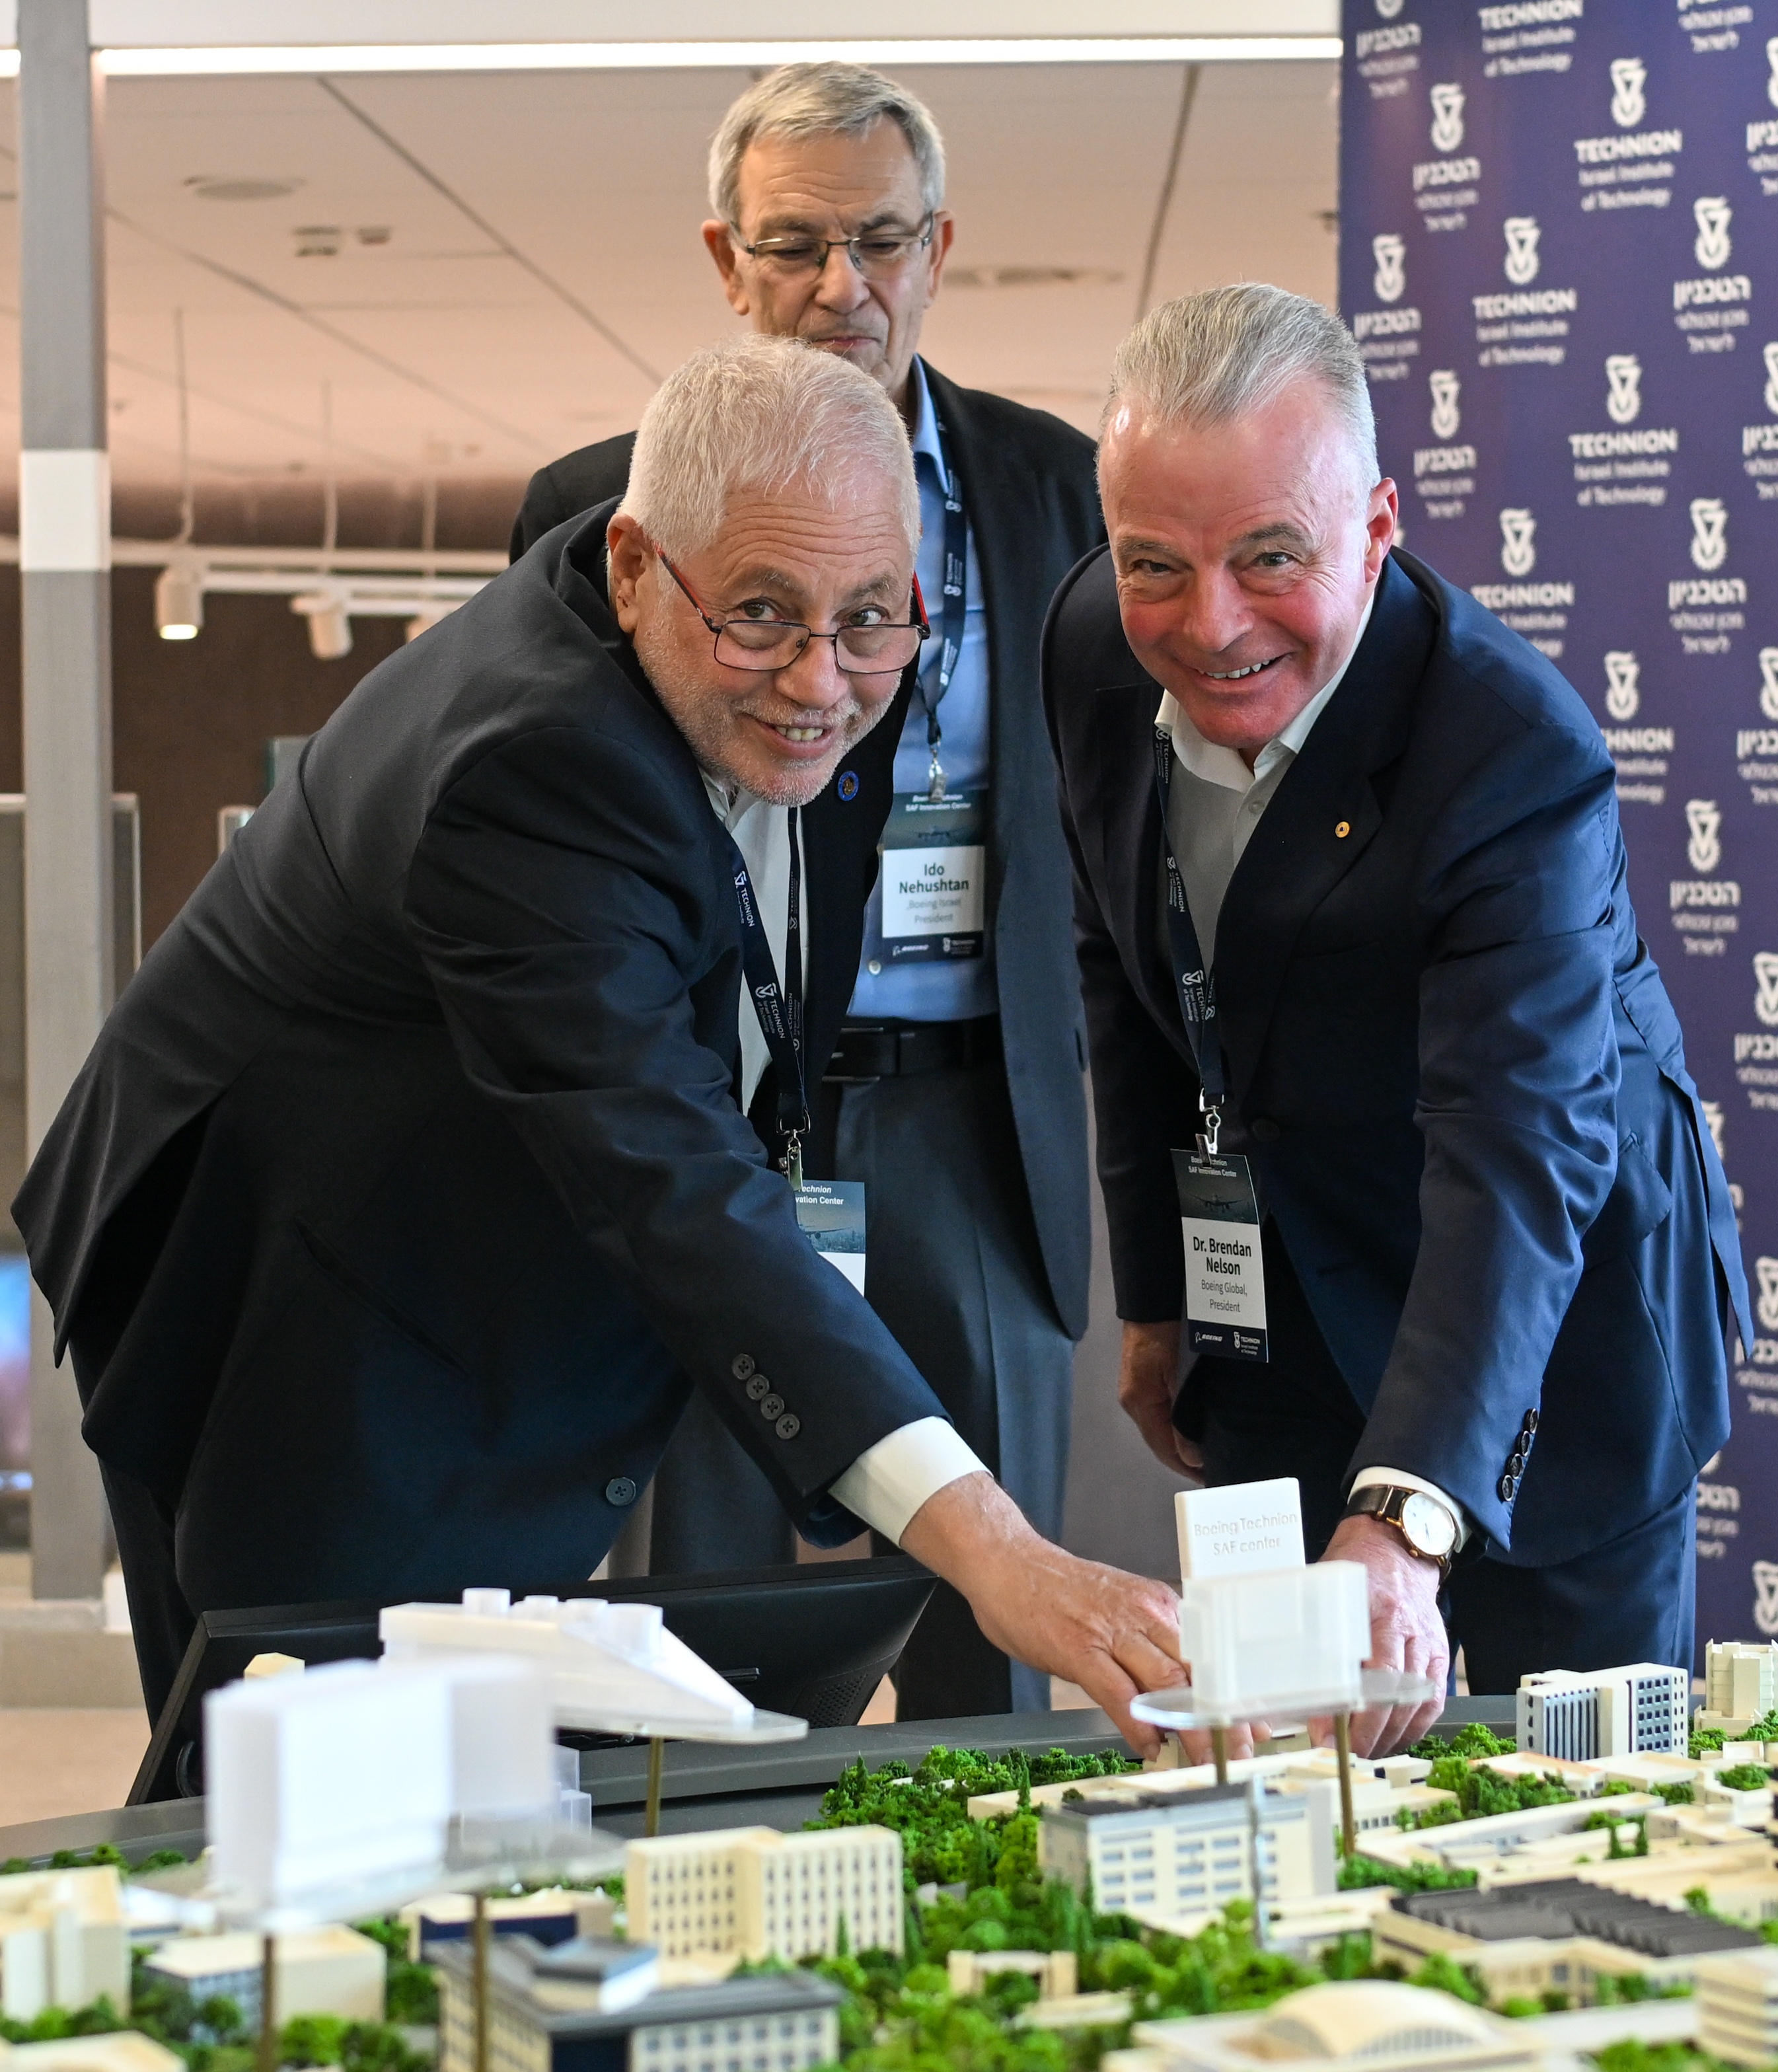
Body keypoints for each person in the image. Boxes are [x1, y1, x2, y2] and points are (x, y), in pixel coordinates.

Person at [15, 335, 1185, 1746]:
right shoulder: (531, 766)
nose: (820, 681)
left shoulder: (817, 642)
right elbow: (665, 1177)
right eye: (762, 616)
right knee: (317, 1757)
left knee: (494, 1743)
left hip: (476, 1199)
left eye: (871, 619)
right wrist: (995, 1548)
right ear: (634, 567)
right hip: (301, 1277)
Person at [1045, 284, 1747, 1757]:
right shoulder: (1091, 645)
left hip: (1550, 1347)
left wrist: (1408, 1513)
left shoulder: (1508, 751)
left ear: (1373, 530)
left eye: (1270, 556)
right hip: (1282, 1309)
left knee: (1578, 1795)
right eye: (1155, 563)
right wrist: (1159, 1290)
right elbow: (1122, 963)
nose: (1209, 623)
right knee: (1290, 1778)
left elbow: (1517, 1144)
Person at [509, 65, 1103, 1717]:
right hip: (723, 1114)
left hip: (972, 1125)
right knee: (703, 1625)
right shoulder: (600, 509)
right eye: (794, 244)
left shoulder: (1055, 491)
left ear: (938, 250)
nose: (843, 284)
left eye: (881, 240)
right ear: (726, 259)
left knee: (999, 1627)